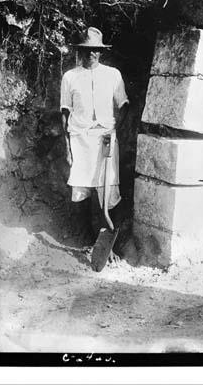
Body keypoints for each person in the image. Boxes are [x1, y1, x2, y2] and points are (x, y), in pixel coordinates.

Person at [60, 27, 129, 271]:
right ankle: (89, 241)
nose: (92, 55)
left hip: (105, 137)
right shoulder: (70, 77)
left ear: (101, 52)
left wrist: (114, 131)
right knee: (83, 188)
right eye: (88, 51)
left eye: (96, 51)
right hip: (80, 138)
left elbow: (123, 106)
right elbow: (65, 113)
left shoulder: (113, 75)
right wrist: (67, 146)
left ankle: (110, 243)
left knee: (107, 187)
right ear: (81, 52)